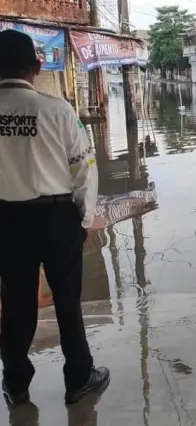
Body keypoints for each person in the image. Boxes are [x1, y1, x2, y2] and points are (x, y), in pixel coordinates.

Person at [0, 30, 110, 406]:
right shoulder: (58, 110)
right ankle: (79, 378)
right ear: (37, 66)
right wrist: (83, 220)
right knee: (67, 300)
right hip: (56, 217)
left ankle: (15, 384)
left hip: (6, 222)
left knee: (15, 303)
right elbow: (84, 170)